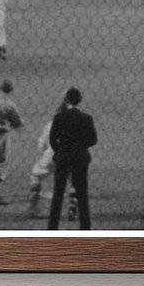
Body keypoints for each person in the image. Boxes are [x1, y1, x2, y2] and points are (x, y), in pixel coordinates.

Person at [47, 87, 97, 230]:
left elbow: (52, 139)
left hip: (63, 157)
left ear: (67, 100)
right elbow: (93, 140)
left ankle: (52, 228)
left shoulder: (59, 117)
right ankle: (85, 228)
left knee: (58, 194)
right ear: (79, 101)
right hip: (80, 157)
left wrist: (60, 151)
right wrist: (81, 146)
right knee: (82, 194)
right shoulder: (87, 118)